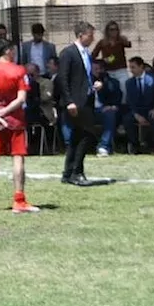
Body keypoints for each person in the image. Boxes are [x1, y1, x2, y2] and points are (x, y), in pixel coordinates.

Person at [0, 39, 40, 213]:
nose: (15, 53)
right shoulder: (19, 70)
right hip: (15, 121)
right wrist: (5, 112)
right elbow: (21, 99)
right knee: (18, 157)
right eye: (13, 50)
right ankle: (19, 200)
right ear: (7, 51)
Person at [57, 22, 99, 186]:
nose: (92, 38)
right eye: (90, 35)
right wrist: (69, 101)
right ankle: (77, 171)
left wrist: (95, 83)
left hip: (86, 99)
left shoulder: (86, 53)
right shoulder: (68, 53)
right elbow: (63, 78)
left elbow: (84, 76)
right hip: (75, 102)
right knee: (86, 135)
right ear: (81, 35)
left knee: (77, 136)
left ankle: (68, 172)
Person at [125, 56, 154, 154]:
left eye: (133, 67)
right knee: (127, 119)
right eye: (130, 67)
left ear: (141, 67)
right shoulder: (129, 83)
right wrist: (136, 114)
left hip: (152, 109)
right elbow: (130, 101)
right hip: (138, 111)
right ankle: (135, 146)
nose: (131, 70)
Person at [91, 59, 122, 157]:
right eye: (93, 69)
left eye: (98, 69)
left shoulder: (111, 82)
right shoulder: (85, 81)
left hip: (103, 110)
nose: (96, 71)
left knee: (110, 114)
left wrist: (112, 106)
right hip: (88, 110)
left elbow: (116, 97)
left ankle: (103, 146)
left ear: (103, 70)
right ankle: (69, 145)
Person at [93, 21, 132, 88]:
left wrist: (125, 39)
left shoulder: (121, 40)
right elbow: (93, 55)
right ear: (107, 31)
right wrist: (103, 61)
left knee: (124, 88)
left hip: (121, 70)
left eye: (116, 29)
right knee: (110, 90)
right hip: (108, 71)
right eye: (111, 29)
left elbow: (129, 44)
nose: (114, 31)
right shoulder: (102, 42)